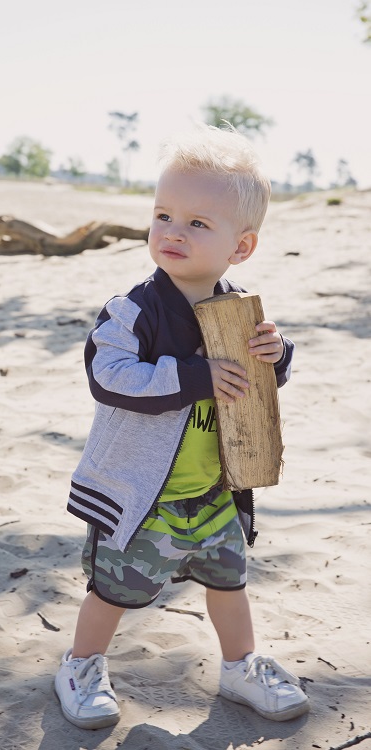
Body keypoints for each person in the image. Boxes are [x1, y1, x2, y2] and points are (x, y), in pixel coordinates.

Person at [54, 124, 309, 729]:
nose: (172, 230)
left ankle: (240, 666)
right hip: (143, 495)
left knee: (228, 582)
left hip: (214, 489)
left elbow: (256, 386)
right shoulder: (134, 311)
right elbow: (109, 377)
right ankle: (81, 664)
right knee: (113, 589)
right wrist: (194, 376)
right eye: (164, 214)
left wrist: (277, 355)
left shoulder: (239, 306)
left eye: (198, 223)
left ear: (240, 247)